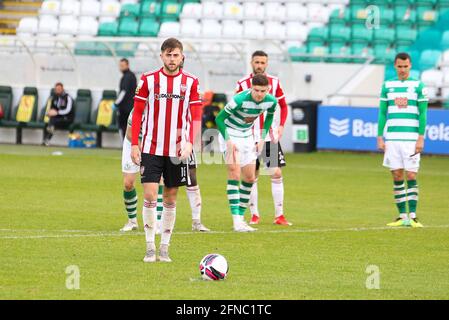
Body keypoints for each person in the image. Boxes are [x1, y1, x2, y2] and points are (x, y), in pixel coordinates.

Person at [131, 38, 201, 263]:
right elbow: (138, 113)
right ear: (161, 56)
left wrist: (190, 141)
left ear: (182, 57)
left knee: (170, 198)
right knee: (150, 195)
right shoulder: (148, 80)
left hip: (177, 150)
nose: (172, 59)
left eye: (176, 55)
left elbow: (197, 116)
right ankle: (150, 246)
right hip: (151, 147)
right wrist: (135, 143)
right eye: (168, 55)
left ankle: (165, 248)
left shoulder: (191, 82)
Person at [120, 108, 210, 233]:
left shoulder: (166, 110)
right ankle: (132, 221)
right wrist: (140, 150)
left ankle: (157, 223)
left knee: (159, 179)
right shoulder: (138, 109)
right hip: (135, 143)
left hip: (155, 144)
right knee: (128, 183)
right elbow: (130, 134)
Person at [235, 50, 291, 226]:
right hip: (248, 137)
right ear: (251, 62)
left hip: (268, 136)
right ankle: (254, 215)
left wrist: (281, 125)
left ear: (267, 64)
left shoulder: (274, 82)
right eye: (257, 62)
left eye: (262, 62)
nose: (259, 65)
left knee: (276, 172)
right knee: (252, 175)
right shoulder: (242, 83)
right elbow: (235, 108)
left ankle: (279, 215)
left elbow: (283, 104)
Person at [215, 74, 277, 232]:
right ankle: (236, 220)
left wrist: (263, 137)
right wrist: (228, 140)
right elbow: (219, 119)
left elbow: (269, 117)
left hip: (247, 135)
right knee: (234, 173)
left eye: (263, 91)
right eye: (256, 90)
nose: (259, 94)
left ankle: (241, 219)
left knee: (250, 177)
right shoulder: (239, 99)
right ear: (251, 87)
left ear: (268, 89)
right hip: (229, 133)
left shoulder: (271, 101)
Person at [377, 52, 428, 228]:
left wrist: (421, 137)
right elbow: (383, 112)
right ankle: (401, 216)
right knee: (397, 175)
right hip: (392, 138)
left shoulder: (419, 86)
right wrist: (379, 136)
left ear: (410, 66)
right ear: (395, 66)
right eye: (399, 66)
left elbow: (423, 114)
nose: (402, 70)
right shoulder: (387, 85)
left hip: (411, 139)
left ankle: (413, 216)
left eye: (405, 66)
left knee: (411, 174)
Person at [116, 58, 137, 140]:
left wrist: (116, 103)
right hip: (130, 106)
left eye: (122, 65)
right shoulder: (131, 76)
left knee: (123, 126)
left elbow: (123, 92)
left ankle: (124, 144)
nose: (121, 67)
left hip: (125, 108)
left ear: (127, 65)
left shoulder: (127, 77)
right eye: (120, 66)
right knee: (128, 127)